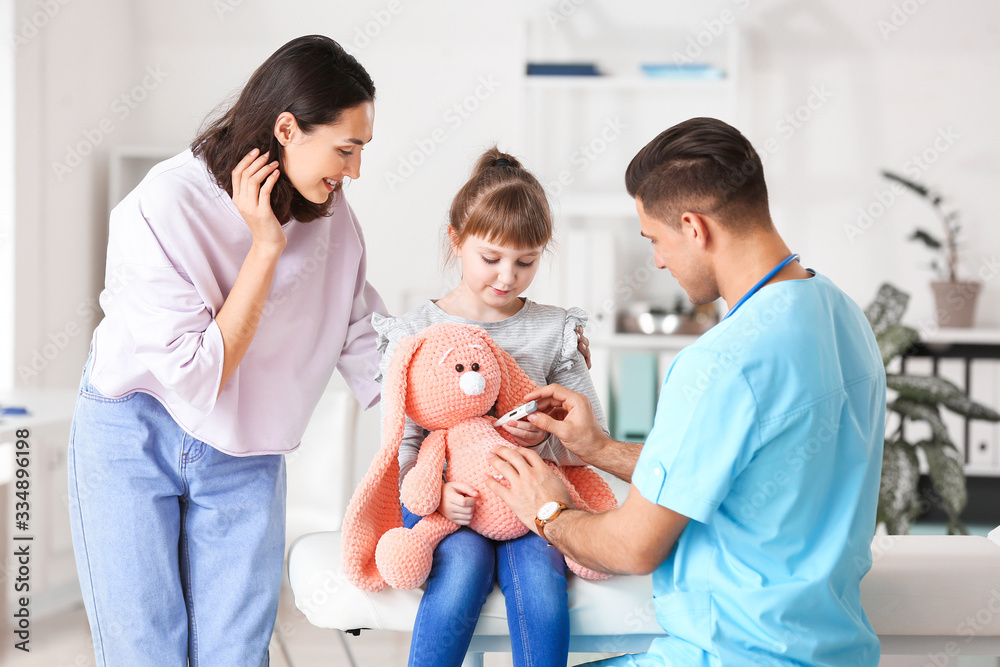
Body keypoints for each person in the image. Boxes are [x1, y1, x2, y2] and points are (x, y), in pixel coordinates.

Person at [486, 117, 886, 666]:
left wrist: (548, 512)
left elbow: (633, 545)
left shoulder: (721, 361)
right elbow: (734, 473)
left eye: (655, 239)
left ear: (694, 228)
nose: (657, 260)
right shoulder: (843, 315)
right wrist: (597, 448)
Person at [66, 36, 385, 666]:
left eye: (360, 152)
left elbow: (368, 342)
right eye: (345, 150)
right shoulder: (163, 206)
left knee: (234, 656)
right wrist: (263, 249)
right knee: (143, 653)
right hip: (135, 432)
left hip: (245, 451)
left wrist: (482, 377)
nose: (354, 172)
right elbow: (194, 377)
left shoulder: (333, 219)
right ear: (288, 129)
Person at [371, 147, 608, 667]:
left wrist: (543, 437)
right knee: (459, 575)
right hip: (447, 503)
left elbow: (589, 437)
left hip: (531, 503)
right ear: (456, 240)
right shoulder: (415, 333)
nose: (507, 278)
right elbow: (404, 444)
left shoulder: (554, 331)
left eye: (526, 262)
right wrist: (439, 494)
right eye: (491, 258)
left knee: (543, 587)